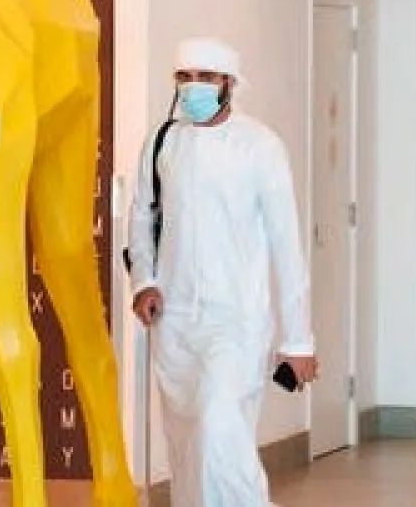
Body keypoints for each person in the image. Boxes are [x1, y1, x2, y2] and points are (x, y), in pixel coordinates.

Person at [126, 37, 318, 507]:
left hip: (237, 322)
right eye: (185, 77)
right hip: (174, 321)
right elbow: (142, 216)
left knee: (219, 432)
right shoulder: (162, 142)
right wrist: (144, 281)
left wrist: (298, 342)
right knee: (187, 445)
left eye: (206, 77)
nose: (193, 87)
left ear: (230, 83)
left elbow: (286, 247)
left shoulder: (260, 147)